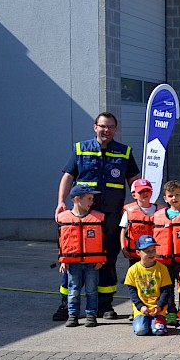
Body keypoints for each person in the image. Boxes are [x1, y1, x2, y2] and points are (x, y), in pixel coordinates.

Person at [55, 112, 139, 321]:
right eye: (102, 126)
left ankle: (105, 305)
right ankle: (66, 306)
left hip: (111, 216)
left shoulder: (124, 152)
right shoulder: (80, 149)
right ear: (95, 127)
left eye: (110, 126)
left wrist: (138, 206)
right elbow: (68, 177)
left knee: (107, 258)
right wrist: (60, 203)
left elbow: (134, 182)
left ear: (115, 129)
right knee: (73, 256)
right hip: (82, 216)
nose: (106, 130)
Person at [57, 184, 106, 328]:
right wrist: (62, 260)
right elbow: (61, 242)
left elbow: (104, 241)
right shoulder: (64, 219)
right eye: (89, 198)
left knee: (92, 290)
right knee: (74, 290)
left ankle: (91, 315)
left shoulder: (98, 218)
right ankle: (73, 315)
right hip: (73, 263)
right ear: (77, 199)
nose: (92, 202)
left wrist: (101, 259)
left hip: (92, 262)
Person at [124, 233, 173, 335]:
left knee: (158, 332)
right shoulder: (133, 270)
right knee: (141, 331)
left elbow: (166, 291)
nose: (151, 253)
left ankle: (157, 322)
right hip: (142, 309)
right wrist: (141, 306)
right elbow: (132, 292)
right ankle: (143, 321)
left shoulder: (162, 269)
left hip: (158, 309)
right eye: (147, 251)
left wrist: (159, 306)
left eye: (153, 250)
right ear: (138, 252)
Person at [152, 180, 180, 290]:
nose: (174, 198)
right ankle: (170, 307)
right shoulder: (157, 215)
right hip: (164, 259)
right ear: (165, 198)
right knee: (167, 287)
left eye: (177, 195)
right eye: (170, 196)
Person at [120, 179, 158, 266]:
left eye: (147, 190)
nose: (145, 193)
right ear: (134, 195)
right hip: (136, 253)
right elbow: (123, 230)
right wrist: (123, 248)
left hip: (153, 252)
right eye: (141, 191)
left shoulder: (160, 210)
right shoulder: (129, 210)